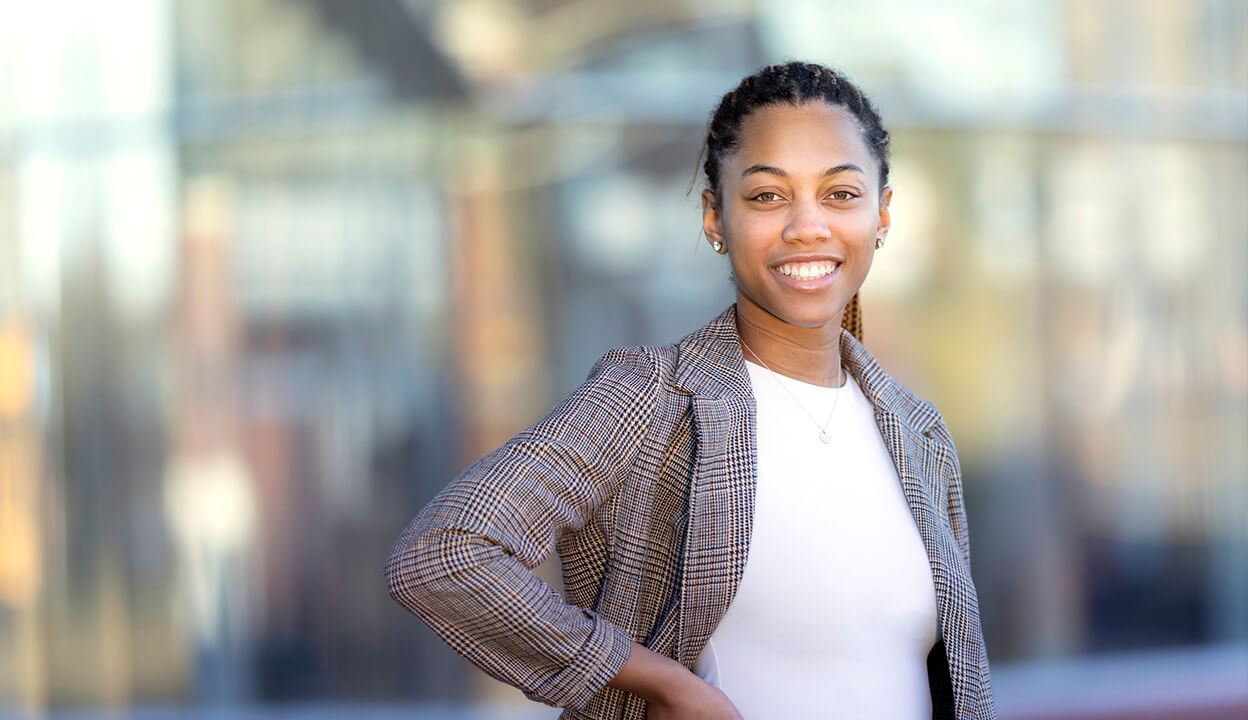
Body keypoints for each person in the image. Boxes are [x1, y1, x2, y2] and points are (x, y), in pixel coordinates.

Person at [386, 61, 996, 720]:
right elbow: (444, 554)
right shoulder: (652, 397)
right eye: (766, 196)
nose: (807, 226)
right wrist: (659, 683)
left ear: (882, 214)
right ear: (715, 217)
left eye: (840, 194)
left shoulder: (918, 431)